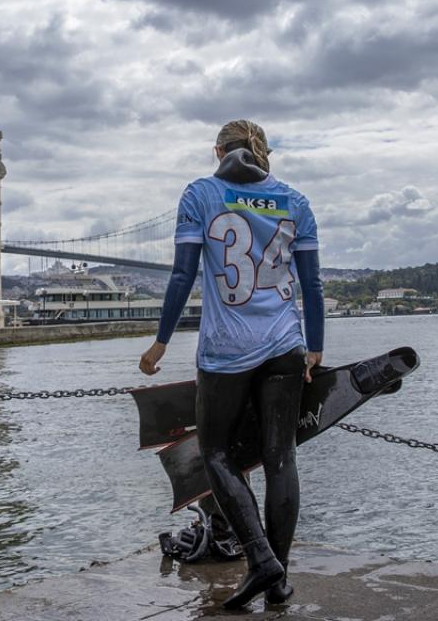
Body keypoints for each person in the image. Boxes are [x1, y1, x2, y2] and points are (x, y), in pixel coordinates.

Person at [139, 119, 325, 609]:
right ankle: (278, 581)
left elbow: (182, 275)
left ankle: (261, 560)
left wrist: (160, 343)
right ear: (262, 151)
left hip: (226, 350)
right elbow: (313, 286)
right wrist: (316, 348)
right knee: (281, 456)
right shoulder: (295, 201)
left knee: (217, 453)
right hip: (286, 344)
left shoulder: (200, 194)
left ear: (217, 150)